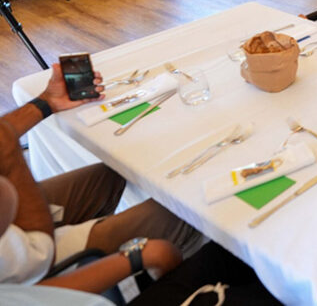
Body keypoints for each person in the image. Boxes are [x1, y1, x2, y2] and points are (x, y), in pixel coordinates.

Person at [0, 64, 200, 286]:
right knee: (186, 209)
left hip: (13, 228)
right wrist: (12, 157)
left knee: (117, 167)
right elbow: (40, 255)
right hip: (30, 265)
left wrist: (46, 101)